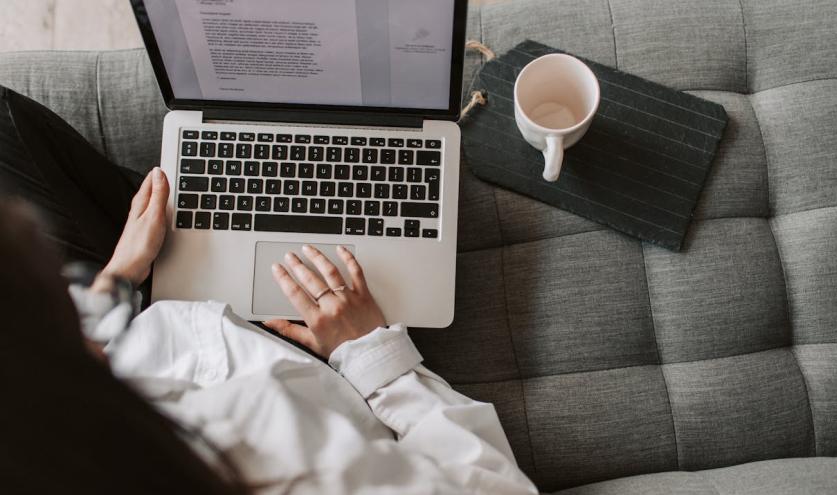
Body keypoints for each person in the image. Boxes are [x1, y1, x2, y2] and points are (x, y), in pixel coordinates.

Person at [0, 86, 538, 494]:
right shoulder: (291, 461)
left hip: (145, 317)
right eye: (66, 295)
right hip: (300, 352)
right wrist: (370, 350)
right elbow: (498, 487)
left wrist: (117, 279)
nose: (79, 293)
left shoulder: (38, 428)